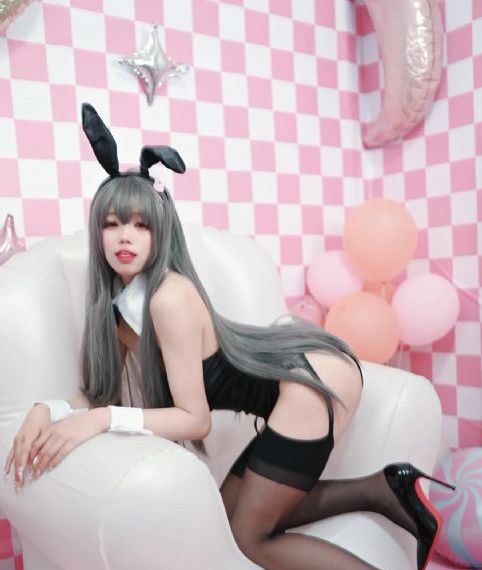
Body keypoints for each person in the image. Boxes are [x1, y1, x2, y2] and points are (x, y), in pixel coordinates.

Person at [4, 104, 454, 570]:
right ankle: (383, 490)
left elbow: (194, 420)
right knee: (224, 516)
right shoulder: (122, 310)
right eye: (112, 223)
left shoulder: (168, 298)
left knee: (249, 538)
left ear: (161, 232)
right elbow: (104, 395)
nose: (125, 237)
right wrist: (48, 409)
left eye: (140, 224)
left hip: (311, 380)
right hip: (298, 381)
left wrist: (100, 421)